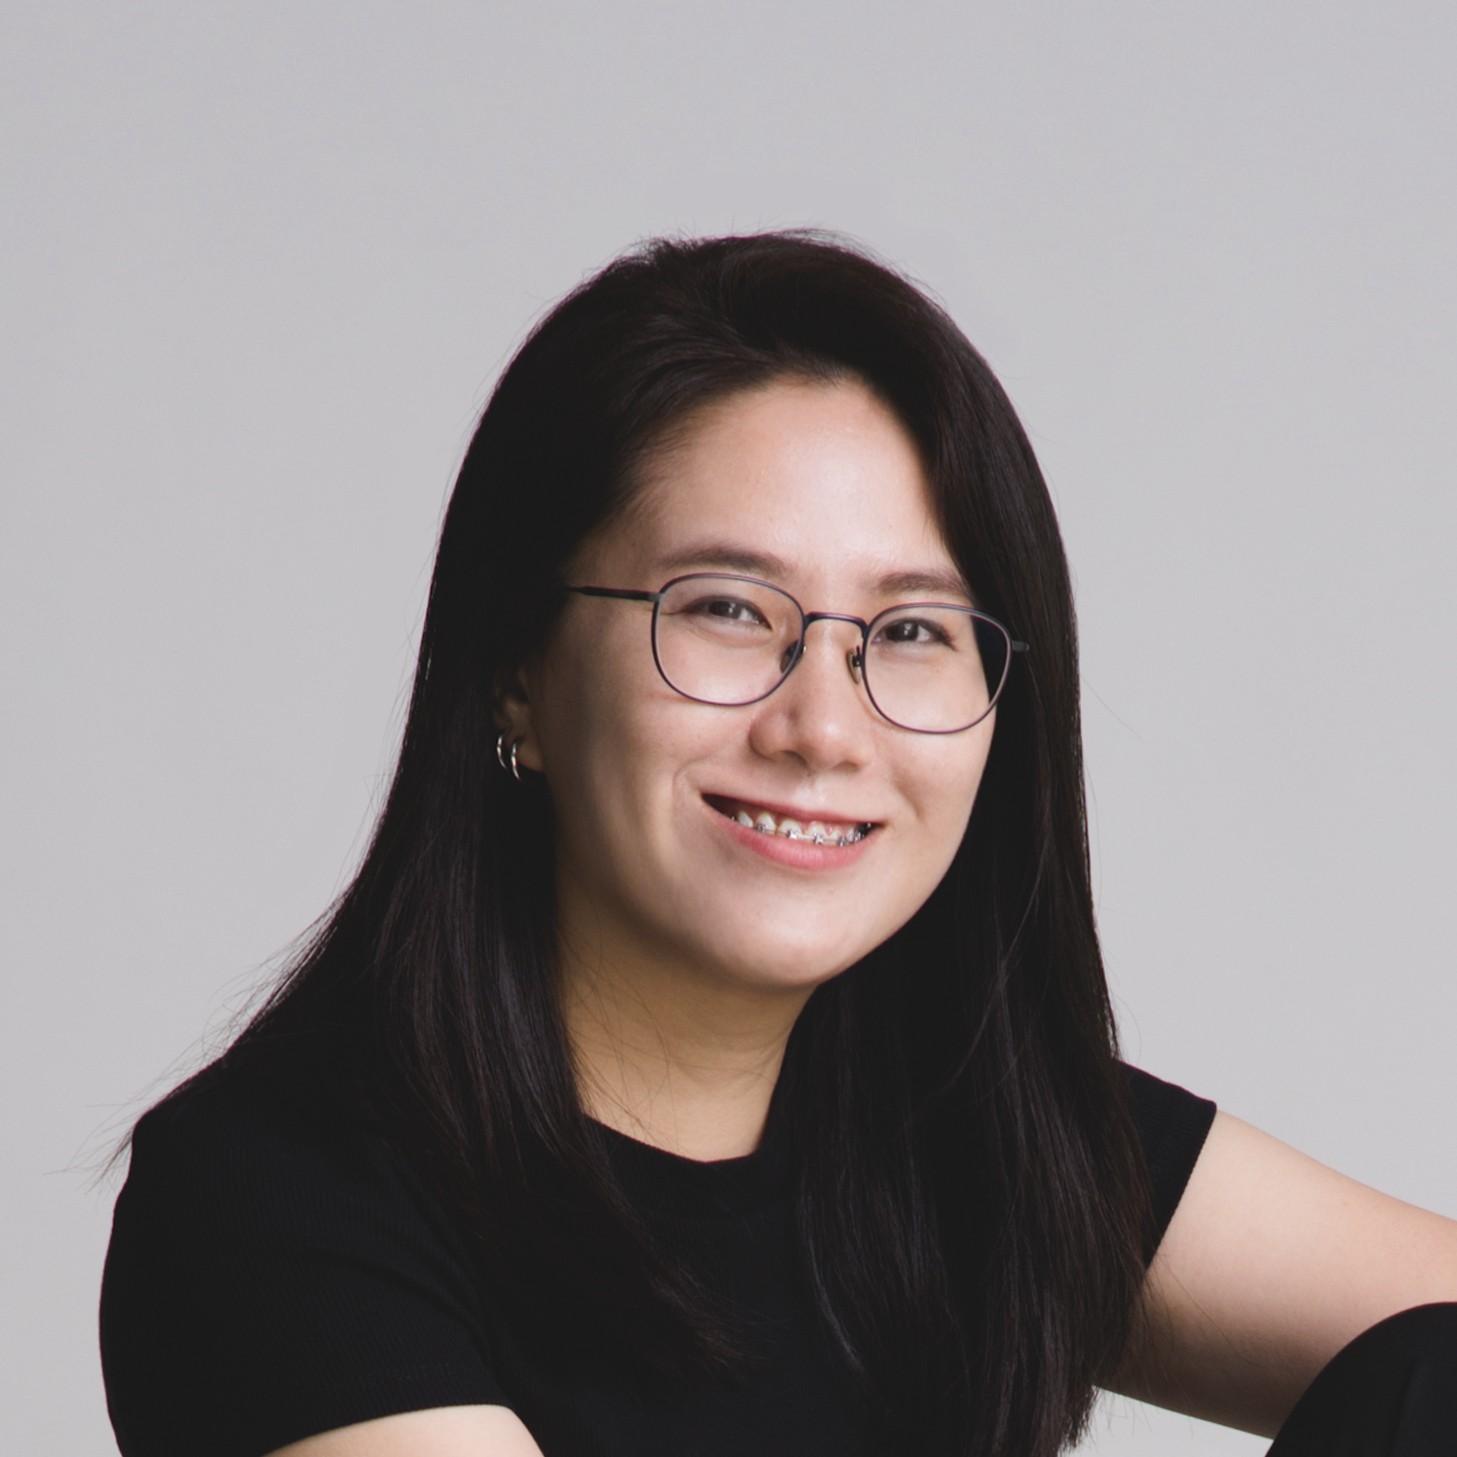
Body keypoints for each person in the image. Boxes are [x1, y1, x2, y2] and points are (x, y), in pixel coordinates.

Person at [99, 233, 1457, 1457]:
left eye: (913, 630)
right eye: (727, 611)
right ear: (517, 668)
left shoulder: (967, 1121)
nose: (822, 724)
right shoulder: (273, 1199)